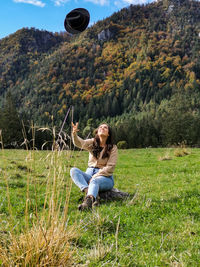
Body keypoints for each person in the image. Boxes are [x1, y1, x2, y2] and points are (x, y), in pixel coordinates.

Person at [70, 122, 118, 210]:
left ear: (108, 134)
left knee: (94, 181)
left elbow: (111, 167)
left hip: (105, 177)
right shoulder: (92, 142)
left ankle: (88, 202)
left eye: (105, 128)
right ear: (97, 131)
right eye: (100, 127)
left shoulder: (113, 148)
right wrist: (74, 134)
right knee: (73, 170)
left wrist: (96, 176)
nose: (102, 128)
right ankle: (90, 192)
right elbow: (80, 143)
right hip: (89, 174)